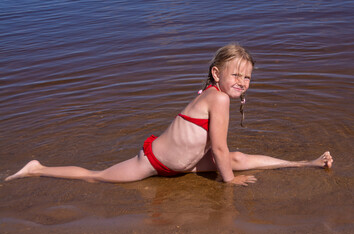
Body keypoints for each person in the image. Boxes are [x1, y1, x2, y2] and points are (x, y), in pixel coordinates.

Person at [5, 44, 333, 186]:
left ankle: (307, 163)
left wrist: (224, 167)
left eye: (247, 77)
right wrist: (228, 183)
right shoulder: (217, 99)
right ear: (217, 74)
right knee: (98, 176)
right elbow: (217, 148)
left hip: (187, 164)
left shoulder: (214, 95)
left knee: (238, 156)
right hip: (155, 162)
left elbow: (217, 149)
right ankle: (38, 169)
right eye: (235, 75)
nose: (242, 82)